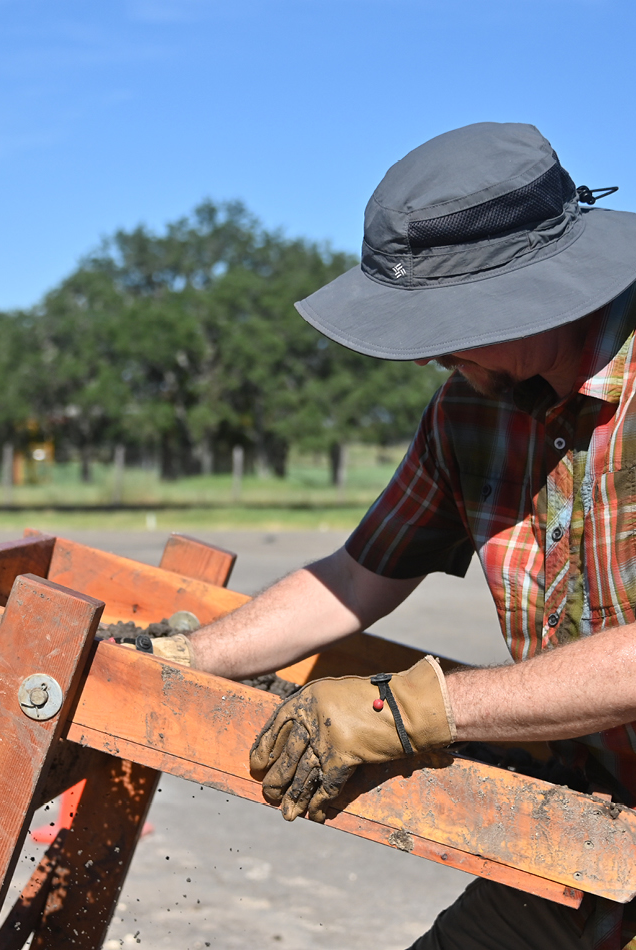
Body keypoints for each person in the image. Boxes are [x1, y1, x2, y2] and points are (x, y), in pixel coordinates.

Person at [143, 122, 636, 948]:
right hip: (597, 832)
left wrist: (412, 709)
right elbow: (356, 576)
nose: (424, 357)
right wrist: (181, 663)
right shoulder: (469, 412)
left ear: (534, 288)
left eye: (444, 322)